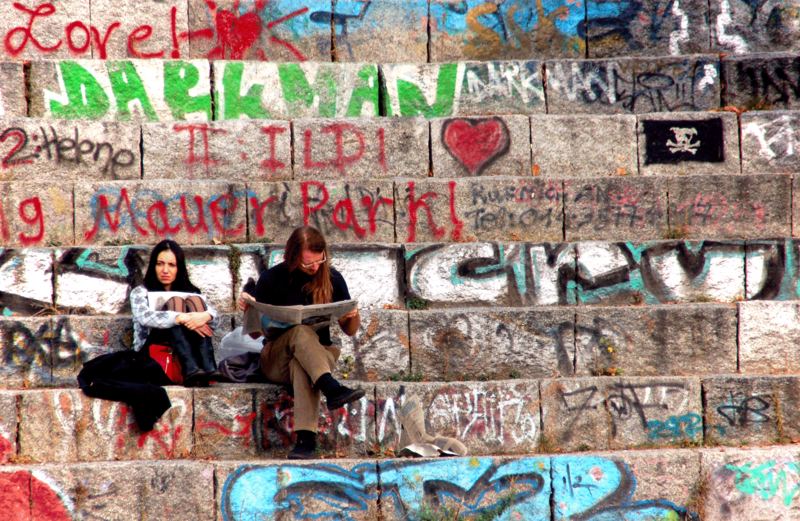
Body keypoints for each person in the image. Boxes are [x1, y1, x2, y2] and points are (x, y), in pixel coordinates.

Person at [238, 226, 364, 459]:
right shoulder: (271, 279)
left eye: (319, 260)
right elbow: (255, 335)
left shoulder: (332, 278)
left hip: (320, 355)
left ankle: (306, 441)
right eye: (308, 264)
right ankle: (331, 388)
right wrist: (249, 311)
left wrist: (352, 316)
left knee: (302, 364)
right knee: (300, 332)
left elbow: (350, 331)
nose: (315, 267)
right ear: (292, 256)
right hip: (276, 357)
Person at [130, 239, 219, 387]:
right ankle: (192, 369)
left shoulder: (192, 292)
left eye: (171, 265)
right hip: (154, 351)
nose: (165, 270)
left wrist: (205, 316)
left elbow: (215, 322)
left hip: (190, 350)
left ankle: (208, 368)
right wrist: (179, 317)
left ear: (179, 268)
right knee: (175, 304)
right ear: (153, 266)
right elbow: (145, 317)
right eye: (160, 264)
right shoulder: (140, 292)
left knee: (195, 302)